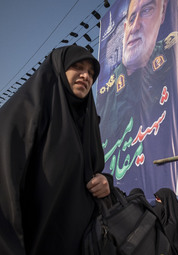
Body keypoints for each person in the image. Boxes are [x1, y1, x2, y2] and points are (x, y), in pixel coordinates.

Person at [0, 45, 111, 255]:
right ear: (59, 69)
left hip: (82, 244)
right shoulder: (25, 113)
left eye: (91, 72)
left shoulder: (87, 126)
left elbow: (91, 171)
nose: (85, 75)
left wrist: (106, 182)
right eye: (77, 67)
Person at [97, 0, 178, 200]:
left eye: (148, 10)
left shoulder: (169, 53)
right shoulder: (104, 94)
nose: (135, 26)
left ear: (162, 15)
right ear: (124, 28)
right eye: (131, 18)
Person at [153, 188, 178, 255]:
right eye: (155, 198)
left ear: (166, 200)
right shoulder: (174, 213)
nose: (156, 200)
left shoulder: (172, 223)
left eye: (158, 199)